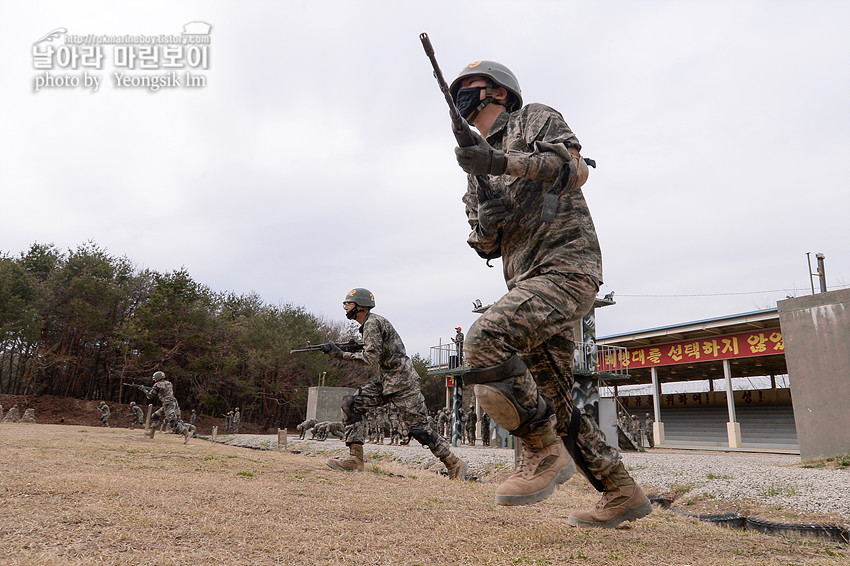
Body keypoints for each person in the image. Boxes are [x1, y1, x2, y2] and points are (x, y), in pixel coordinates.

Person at [449, 61, 651, 527]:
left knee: (484, 338)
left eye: (469, 88)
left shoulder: (533, 119)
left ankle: (541, 452)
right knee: (558, 403)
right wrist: (488, 216)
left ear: (498, 93)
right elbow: (484, 243)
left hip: (567, 267)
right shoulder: (472, 164)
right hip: (525, 281)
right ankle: (621, 491)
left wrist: (502, 164)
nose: (461, 96)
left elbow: (572, 168)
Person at [322, 288, 467, 479]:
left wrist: (340, 354)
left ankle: (454, 464)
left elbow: (370, 358)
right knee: (351, 403)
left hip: (403, 383)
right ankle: (355, 460)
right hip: (388, 381)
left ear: (360, 306)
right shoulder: (369, 324)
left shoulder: (372, 323)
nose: (345, 307)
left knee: (419, 429)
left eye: (348, 304)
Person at [144, 370, 194, 443]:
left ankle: (186, 432)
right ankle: (152, 433)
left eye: (155, 378)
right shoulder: (169, 383)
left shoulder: (157, 384)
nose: (154, 379)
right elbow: (164, 390)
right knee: (155, 415)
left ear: (158, 378)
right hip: (173, 403)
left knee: (172, 421)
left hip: (168, 404)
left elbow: (150, 396)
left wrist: (144, 390)